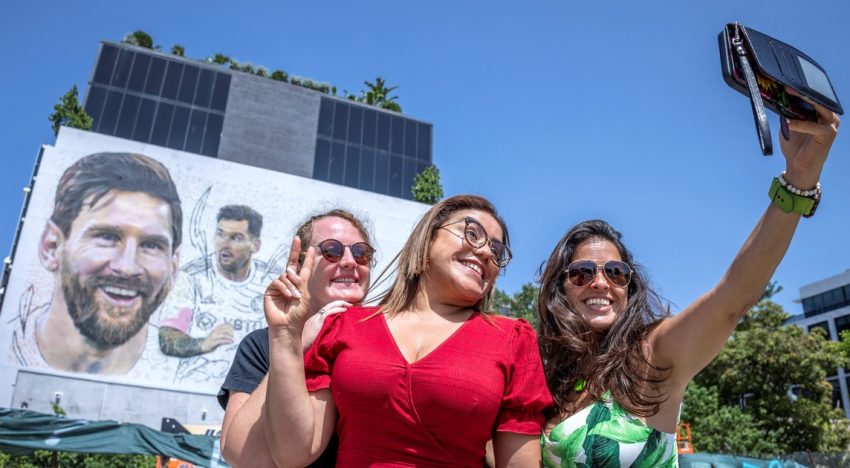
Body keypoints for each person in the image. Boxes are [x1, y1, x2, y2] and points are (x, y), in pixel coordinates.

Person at [537, 98, 840, 466]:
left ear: (628, 289)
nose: (600, 283)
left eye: (616, 273)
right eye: (583, 272)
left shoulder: (652, 355)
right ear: (561, 287)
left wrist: (798, 180)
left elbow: (732, 298)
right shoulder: (548, 377)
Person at [263, 195, 553, 467]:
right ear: (427, 240)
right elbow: (293, 453)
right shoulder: (344, 325)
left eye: (497, 250)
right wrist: (285, 335)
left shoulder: (513, 338)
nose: (486, 252)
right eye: (472, 233)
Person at [219, 209, 375, 468]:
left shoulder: (386, 338)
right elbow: (240, 454)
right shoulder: (261, 344)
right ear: (302, 264)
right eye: (332, 250)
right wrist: (292, 343)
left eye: (361, 252)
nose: (350, 261)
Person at [11, 152, 182, 375]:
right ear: (51, 247)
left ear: (174, 267)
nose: (127, 267)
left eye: (151, 245)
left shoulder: (192, 373)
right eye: (107, 237)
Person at [158, 204, 273, 384]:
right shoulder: (192, 277)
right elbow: (166, 337)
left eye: (235, 237)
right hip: (195, 385)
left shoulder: (271, 282)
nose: (224, 244)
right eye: (220, 234)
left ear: (255, 245)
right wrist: (203, 344)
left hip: (250, 392)